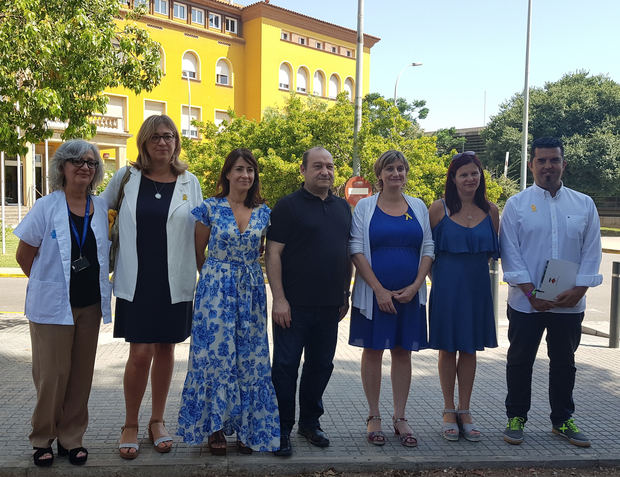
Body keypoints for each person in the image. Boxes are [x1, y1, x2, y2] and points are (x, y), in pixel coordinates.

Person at [101, 115, 203, 459]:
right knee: (140, 353)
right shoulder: (127, 177)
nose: (164, 142)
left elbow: (201, 230)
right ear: (144, 142)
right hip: (137, 279)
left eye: (170, 136)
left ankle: (157, 421)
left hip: (175, 280)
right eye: (157, 137)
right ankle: (130, 423)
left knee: (166, 350)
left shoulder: (190, 182)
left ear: (176, 142)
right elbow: (100, 211)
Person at [14, 140, 111, 467]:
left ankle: (72, 439)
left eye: (91, 163)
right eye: (77, 161)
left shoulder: (99, 209)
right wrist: (49, 285)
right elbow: (23, 255)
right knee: (52, 375)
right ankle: (42, 438)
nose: (85, 167)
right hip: (52, 307)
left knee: (81, 375)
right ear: (62, 168)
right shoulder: (47, 207)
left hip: (90, 307)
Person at [500, 137, 602, 447]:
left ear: (563, 164)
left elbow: (591, 251)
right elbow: (510, 251)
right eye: (541, 160)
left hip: (569, 302)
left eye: (553, 160)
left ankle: (562, 420)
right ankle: (516, 417)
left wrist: (580, 289)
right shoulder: (517, 205)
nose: (548, 166)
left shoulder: (584, 204)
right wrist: (531, 293)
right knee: (520, 361)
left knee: (564, 362)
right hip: (526, 303)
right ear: (531, 165)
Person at [177, 148, 280, 455]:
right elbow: (198, 252)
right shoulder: (209, 208)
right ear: (227, 174)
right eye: (239, 169)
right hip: (214, 292)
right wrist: (214, 279)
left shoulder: (264, 212)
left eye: (250, 170)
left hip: (251, 291)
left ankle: (251, 429)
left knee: (250, 360)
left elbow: (263, 251)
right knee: (214, 360)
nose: (245, 175)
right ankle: (215, 428)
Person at [265, 146, 352, 457]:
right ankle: (282, 428)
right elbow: (272, 253)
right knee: (286, 368)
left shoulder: (343, 207)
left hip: (330, 306)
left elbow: (346, 253)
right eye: (317, 166)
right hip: (293, 307)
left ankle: (310, 423)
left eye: (329, 166)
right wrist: (279, 299)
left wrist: (346, 292)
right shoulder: (287, 207)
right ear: (303, 170)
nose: (325, 171)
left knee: (321, 366)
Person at [349, 150, 434, 448]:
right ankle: (374, 416)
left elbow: (428, 248)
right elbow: (356, 250)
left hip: (409, 296)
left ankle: (400, 417)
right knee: (372, 351)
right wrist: (378, 290)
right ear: (380, 175)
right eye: (390, 169)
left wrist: (415, 285)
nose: (396, 174)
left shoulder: (419, 206)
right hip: (375, 296)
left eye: (401, 168)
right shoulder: (365, 207)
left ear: (406, 173)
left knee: (402, 353)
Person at [428, 151, 499, 442]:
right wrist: (440, 282)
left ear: (480, 177)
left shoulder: (492, 211)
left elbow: (495, 255)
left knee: (469, 349)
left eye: (474, 173)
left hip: (478, 289)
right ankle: (448, 410)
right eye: (464, 174)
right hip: (446, 288)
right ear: (453, 179)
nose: (470, 178)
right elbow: (426, 254)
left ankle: (465, 410)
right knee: (448, 348)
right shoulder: (438, 209)